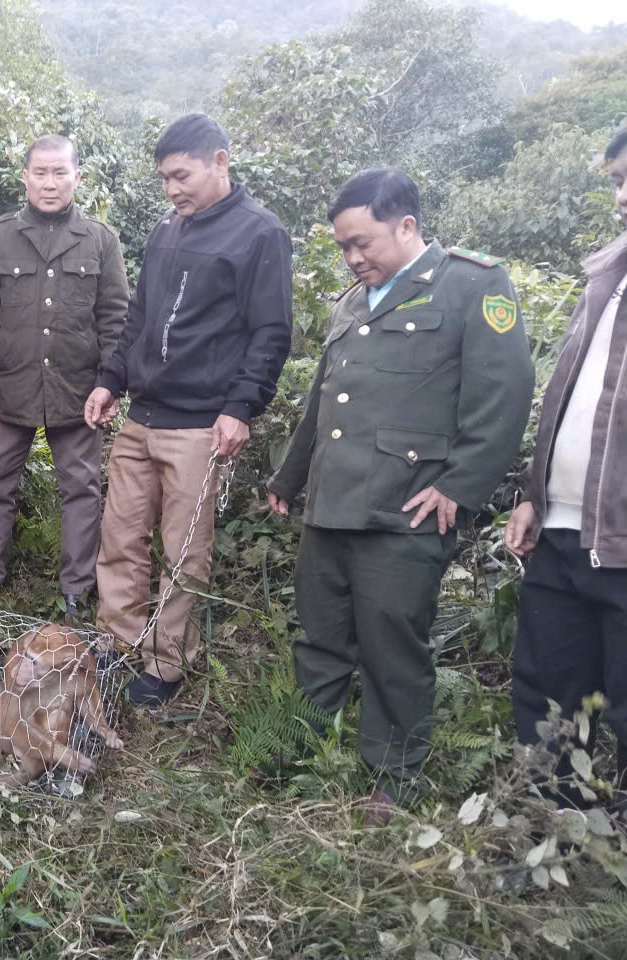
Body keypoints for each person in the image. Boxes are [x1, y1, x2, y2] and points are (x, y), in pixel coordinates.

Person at [266, 168, 534, 819]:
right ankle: (297, 752)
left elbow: (504, 396)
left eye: (364, 242)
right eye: (344, 247)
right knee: (321, 635)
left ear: (406, 225)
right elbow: (322, 403)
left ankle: (393, 777)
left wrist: (461, 485)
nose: (354, 257)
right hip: (332, 505)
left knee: (392, 645)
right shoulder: (353, 300)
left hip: (407, 509)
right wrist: (290, 475)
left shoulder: (472, 284)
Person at [85, 114, 292, 704]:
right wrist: (110, 381)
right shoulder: (165, 231)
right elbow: (140, 319)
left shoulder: (260, 233)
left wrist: (240, 407)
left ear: (219, 162)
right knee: (120, 538)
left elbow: (271, 332)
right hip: (142, 416)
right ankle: (117, 646)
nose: (174, 189)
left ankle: (165, 666)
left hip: (201, 423)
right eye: (165, 180)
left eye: (183, 175)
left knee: (182, 551)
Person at [0, 134, 130, 616]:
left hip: (78, 392)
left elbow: (116, 318)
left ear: (78, 177)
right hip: (7, 386)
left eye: (60, 173)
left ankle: (77, 588)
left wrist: (110, 382)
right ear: (25, 177)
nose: (50, 183)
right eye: (40, 172)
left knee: (82, 490)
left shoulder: (101, 240)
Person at [506, 129, 627, 805]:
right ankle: (551, 840)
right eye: (616, 180)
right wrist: (533, 493)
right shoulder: (606, 276)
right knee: (549, 699)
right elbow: (567, 397)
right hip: (561, 534)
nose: (623, 196)